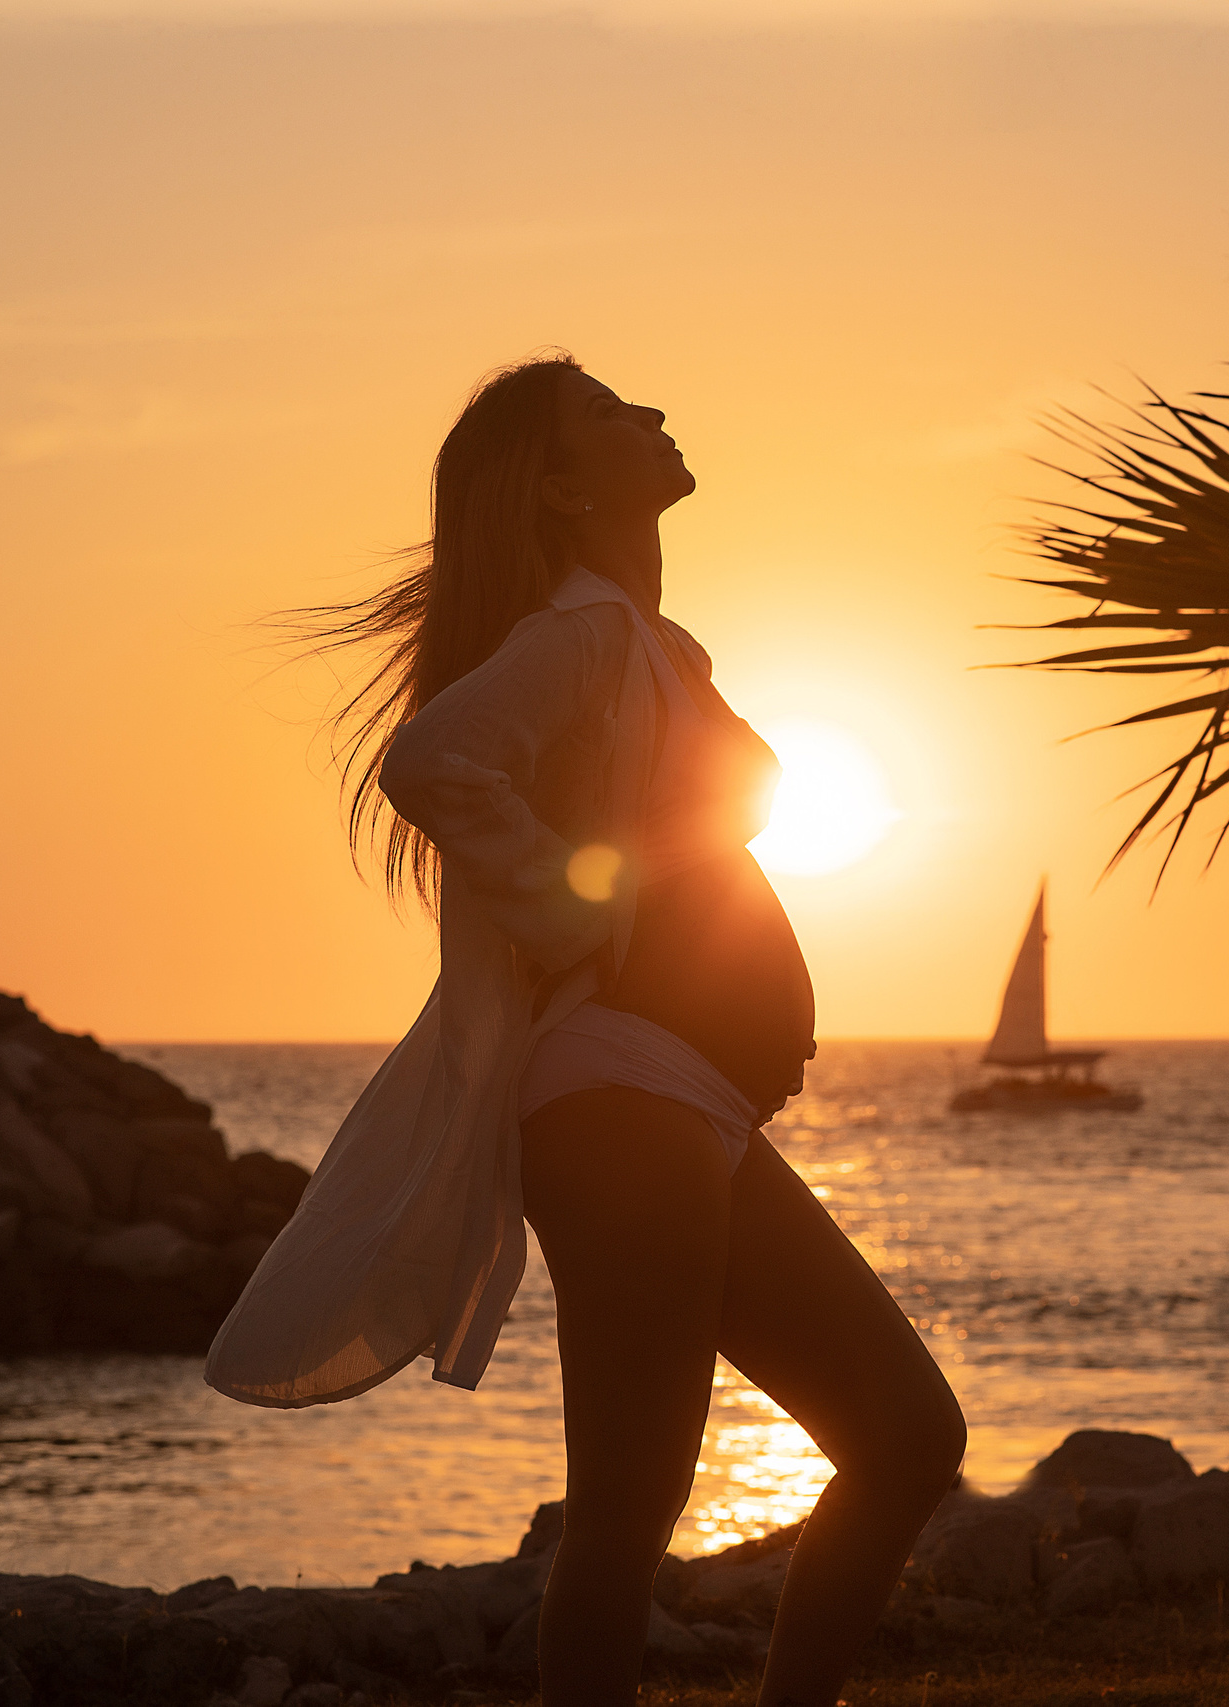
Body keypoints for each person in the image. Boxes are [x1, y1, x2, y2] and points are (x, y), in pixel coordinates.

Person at [207, 352, 965, 1705]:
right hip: (627, 1092)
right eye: (611, 414)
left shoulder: (642, 645)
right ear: (559, 488)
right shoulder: (584, 637)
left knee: (906, 1435)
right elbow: (435, 759)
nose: (654, 414)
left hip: (692, 1107)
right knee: (630, 1507)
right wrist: (566, 906)